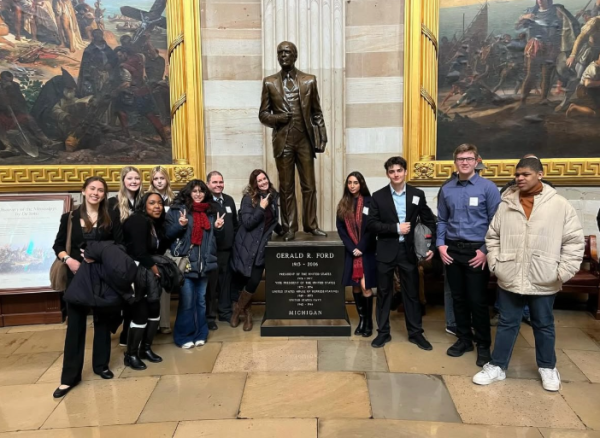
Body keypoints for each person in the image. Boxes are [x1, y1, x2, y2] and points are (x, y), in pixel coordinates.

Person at [473, 157, 584, 391]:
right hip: (510, 274)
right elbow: (492, 237)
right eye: (517, 174)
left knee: (543, 324)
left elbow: (573, 242)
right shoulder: (506, 204)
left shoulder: (560, 205)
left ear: (540, 175)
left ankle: (547, 367)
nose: (520, 178)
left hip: (544, 276)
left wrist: (562, 272)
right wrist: (496, 264)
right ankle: (497, 366)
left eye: (525, 174)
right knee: (507, 322)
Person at [52, 176, 123, 398]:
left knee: (102, 321)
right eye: (92, 189)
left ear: (104, 194)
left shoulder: (111, 217)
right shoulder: (70, 217)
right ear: (83, 191)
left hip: (101, 275)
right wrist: (68, 260)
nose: (96, 193)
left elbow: (120, 244)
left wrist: (99, 254)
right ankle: (69, 377)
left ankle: (101, 366)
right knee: (75, 325)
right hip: (77, 276)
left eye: (100, 190)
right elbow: (58, 245)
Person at [437, 144, 502, 366]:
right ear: (455, 162)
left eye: (468, 158)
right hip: (452, 250)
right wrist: (440, 245)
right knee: (458, 298)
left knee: (477, 300)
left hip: (477, 251)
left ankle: (483, 345)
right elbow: (442, 220)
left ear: (476, 161)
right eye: (460, 159)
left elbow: (497, 223)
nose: (464, 162)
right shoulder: (447, 189)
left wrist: (485, 251)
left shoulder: (488, 188)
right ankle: (464, 339)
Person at [259, 41, 327, 241]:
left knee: (309, 186)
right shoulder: (269, 82)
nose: (283, 56)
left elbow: (317, 113)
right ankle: (289, 228)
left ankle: (311, 225)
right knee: (286, 187)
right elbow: (263, 114)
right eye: (280, 53)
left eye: (287, 52)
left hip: (304, 140)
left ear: (295, 56)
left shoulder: (309, 81)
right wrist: (278, 119)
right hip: (283, 141)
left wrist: (321, 137)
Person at [367, 157, 437, 349]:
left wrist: (429, 246)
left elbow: (429, 221)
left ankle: (415, 333)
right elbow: (371, 224)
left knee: (412, 293)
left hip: (408, 252)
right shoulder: (378, 196)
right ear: (387, 174)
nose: (396, 174)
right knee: (383, 292)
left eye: (399, 170)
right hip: (386, 251)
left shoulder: (417, 194)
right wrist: (396, 228)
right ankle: (383, 333)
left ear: (405, 172)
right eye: (392, 171)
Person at [166, 180, 224, 348]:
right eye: (195, 191)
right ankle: (183, 336)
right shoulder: (177, 211)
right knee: (187, 301)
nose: (198, 194)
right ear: (188, 193)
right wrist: (180, 225)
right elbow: (168, 235)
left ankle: (201, 333)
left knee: (201, 301)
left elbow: (213, 241)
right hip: (186, 264)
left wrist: (218, 229)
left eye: (201, 191)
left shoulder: (210, 212)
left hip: (203, 264)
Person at [121, 192, 171, 370]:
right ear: (144, 205)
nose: (157, 206)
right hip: (137, 273)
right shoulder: (137, 221)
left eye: (159, 203)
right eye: (152, 203)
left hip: (149, 273)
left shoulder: (154, 224)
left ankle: (145, 349)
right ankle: (131, 354)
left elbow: (158, 247)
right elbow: (137, 251)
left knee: (154, 309)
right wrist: (154, 267)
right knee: (140, 312)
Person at [230, 169, 283, 331]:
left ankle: (237, 309)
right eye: (259, 180)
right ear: (254, 184)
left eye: (264, 179)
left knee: (253, 281)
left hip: (261, 248)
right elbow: (247, 223)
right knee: (244, 280)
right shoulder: (249, 199)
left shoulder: (273, 198)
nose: (263, 182)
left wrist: (285, 232)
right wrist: (260, 207)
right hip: (246, 245)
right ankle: (247, 315)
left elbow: (272, 222)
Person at [336, 171, 377, 337]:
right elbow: (341, 229)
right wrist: (352, 247)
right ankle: (361, 320)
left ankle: (369, 323)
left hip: (366, 251)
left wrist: (361, 246)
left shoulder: (369, 202)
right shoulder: (343, 203)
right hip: (351, 252)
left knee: (365, 286)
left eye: (355, 182)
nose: (352, 186)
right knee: (356, 286)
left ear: (361, 184)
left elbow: (371, 227)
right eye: (350, 182)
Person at [109, 166, 143, 345]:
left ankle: (129, 335)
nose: (134, 181)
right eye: (130, 178)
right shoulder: (113, 203)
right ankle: (118, 328)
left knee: (135, 298)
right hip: (121, 257)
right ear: (123, 181)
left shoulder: (142, 202)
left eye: (137, 178)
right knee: (123, 298)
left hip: (139, 257)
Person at [206, 170, 239, 328]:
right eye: (215, 182)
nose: (218, 185)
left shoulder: (229, 200)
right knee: (211, 285)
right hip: (212, 251)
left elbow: (235, 223)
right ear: (208, 184)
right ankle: (210, 317)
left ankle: (225, 312)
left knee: (226, 282)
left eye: (221, 182)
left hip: (228, 250)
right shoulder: (205, 202)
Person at [147, 166, 174, 334]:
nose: (159, 182)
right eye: (156, 179)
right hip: (151, 247)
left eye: (162, 178)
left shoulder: (173, 199)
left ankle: (164, 323)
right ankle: (152, 322)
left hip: (168, 246)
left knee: (165, 285)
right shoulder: (147, 198)